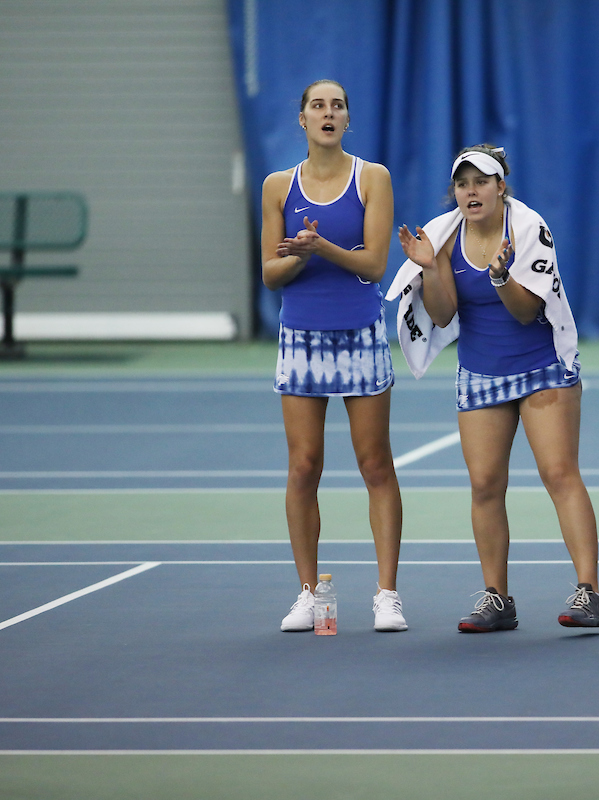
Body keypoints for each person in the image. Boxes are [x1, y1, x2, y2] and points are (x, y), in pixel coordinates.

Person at [388, 145, 599, 632]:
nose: (471, 191)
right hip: (481, 372)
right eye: (463, 184)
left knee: (558, 473)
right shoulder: (442, 237)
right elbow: (443, 314)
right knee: (485, 485)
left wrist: (501, 276)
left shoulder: (528, 228)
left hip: (541, 365)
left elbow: (527, 312)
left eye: (481, 182)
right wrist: (429, 267)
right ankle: (497, 598)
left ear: (500, 187)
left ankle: (589, 593)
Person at [261, 79, 406, 633]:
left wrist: (319, 246)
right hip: (300, 339)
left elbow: (375, 264)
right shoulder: (278, 186)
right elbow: (270, 273)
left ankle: (387, 596)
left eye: (337, 106)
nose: (328, 113)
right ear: (302, 119)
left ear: (347, 118)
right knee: (304, 467)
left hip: (361, 335)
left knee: (375, 464)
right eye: (318, 106)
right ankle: (308, 595)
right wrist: (299, 256)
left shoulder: (373, 178)